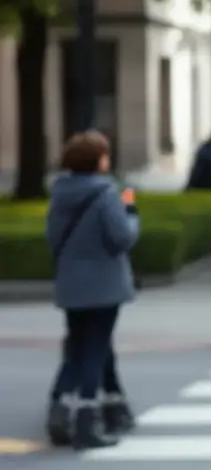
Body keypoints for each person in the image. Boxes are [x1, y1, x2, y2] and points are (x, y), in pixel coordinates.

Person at [44, 130, 140, 450]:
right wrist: (131, 211)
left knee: (79, 344)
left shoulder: (59, 192)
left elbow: (53, 238)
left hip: (71, 284)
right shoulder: (107, 193)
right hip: (104, 285)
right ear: (99, 160)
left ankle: (65, 407)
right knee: (95, 349)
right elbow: (122, 238)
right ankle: (86, 420)